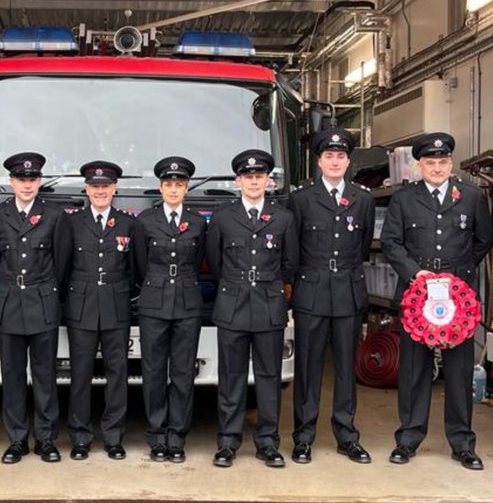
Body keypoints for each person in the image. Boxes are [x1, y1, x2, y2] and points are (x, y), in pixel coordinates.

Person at [380, 132, 493, 469]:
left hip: (458, 299)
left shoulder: (471, 196)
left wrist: (458, 278)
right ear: (420, 165)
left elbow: (483, 239)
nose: (437, 167)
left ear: (451, 163)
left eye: (443, 162)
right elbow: (391, 242)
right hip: (417, 294)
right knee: (414, 370)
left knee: (459, 372)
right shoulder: (404, 199)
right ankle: (408, 439)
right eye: (430, 162)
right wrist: (417, 274)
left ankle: (462, 443)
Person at [287, 128, 375, 465]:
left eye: (341, 156)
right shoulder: (301, 199)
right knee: (308, 367)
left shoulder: (362, 199)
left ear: (348, 162)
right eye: (329, 156)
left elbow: (363, 247)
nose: (335, 161)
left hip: (348, 292)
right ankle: (303, 436)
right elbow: (293, 248)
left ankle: (347, 435)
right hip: (311, 291)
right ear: (319, 161)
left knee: (345, 369)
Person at [206, 149, 298, 468]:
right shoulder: (223, 217)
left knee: (269, 376)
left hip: (269, 305)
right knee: (230, 376)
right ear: (238, 181)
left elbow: (290, 263)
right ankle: (228, 442)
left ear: (268, 180)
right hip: (232, 305)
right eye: (248, 177)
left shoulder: (283, 218)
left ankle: (268, 442)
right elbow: (215, 262)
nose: (254, 182)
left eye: (259, 176)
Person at [0, 152, 71, 464]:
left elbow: (61, 263)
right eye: (21, 179)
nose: (27, 184)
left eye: (32, 179)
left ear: (40, 181)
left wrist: (43, 288)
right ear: (11, 181)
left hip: (43, 303)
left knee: (45, 377)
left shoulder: (55, 216)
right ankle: (17, 439)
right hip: (9, 304)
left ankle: (45, 439)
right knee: (13, 377)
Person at [131, 156, 207, 463]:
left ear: (186, 188)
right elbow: (139, 265)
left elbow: (201, 260)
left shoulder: (197, 222)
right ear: (160, 188)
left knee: (183, 372)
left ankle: (177, 436)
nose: (173, 189)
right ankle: (156, 435)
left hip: (187, 303)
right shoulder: (145, 221)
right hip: (153, 303)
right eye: (168, 184)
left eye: (179, 184)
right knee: (153, 371)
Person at [64, 161, 137, 461]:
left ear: (114, 189)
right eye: (95, 186)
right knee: (80, 374)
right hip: (81, 308)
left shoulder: (127, 223)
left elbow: (135, 268)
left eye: (105, 186)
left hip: (115, 307)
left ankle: (113, 437)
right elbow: (63, 265)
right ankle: (80, 437)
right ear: (86, 189)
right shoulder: (72, 223)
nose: (100, 191)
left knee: (117, 374)